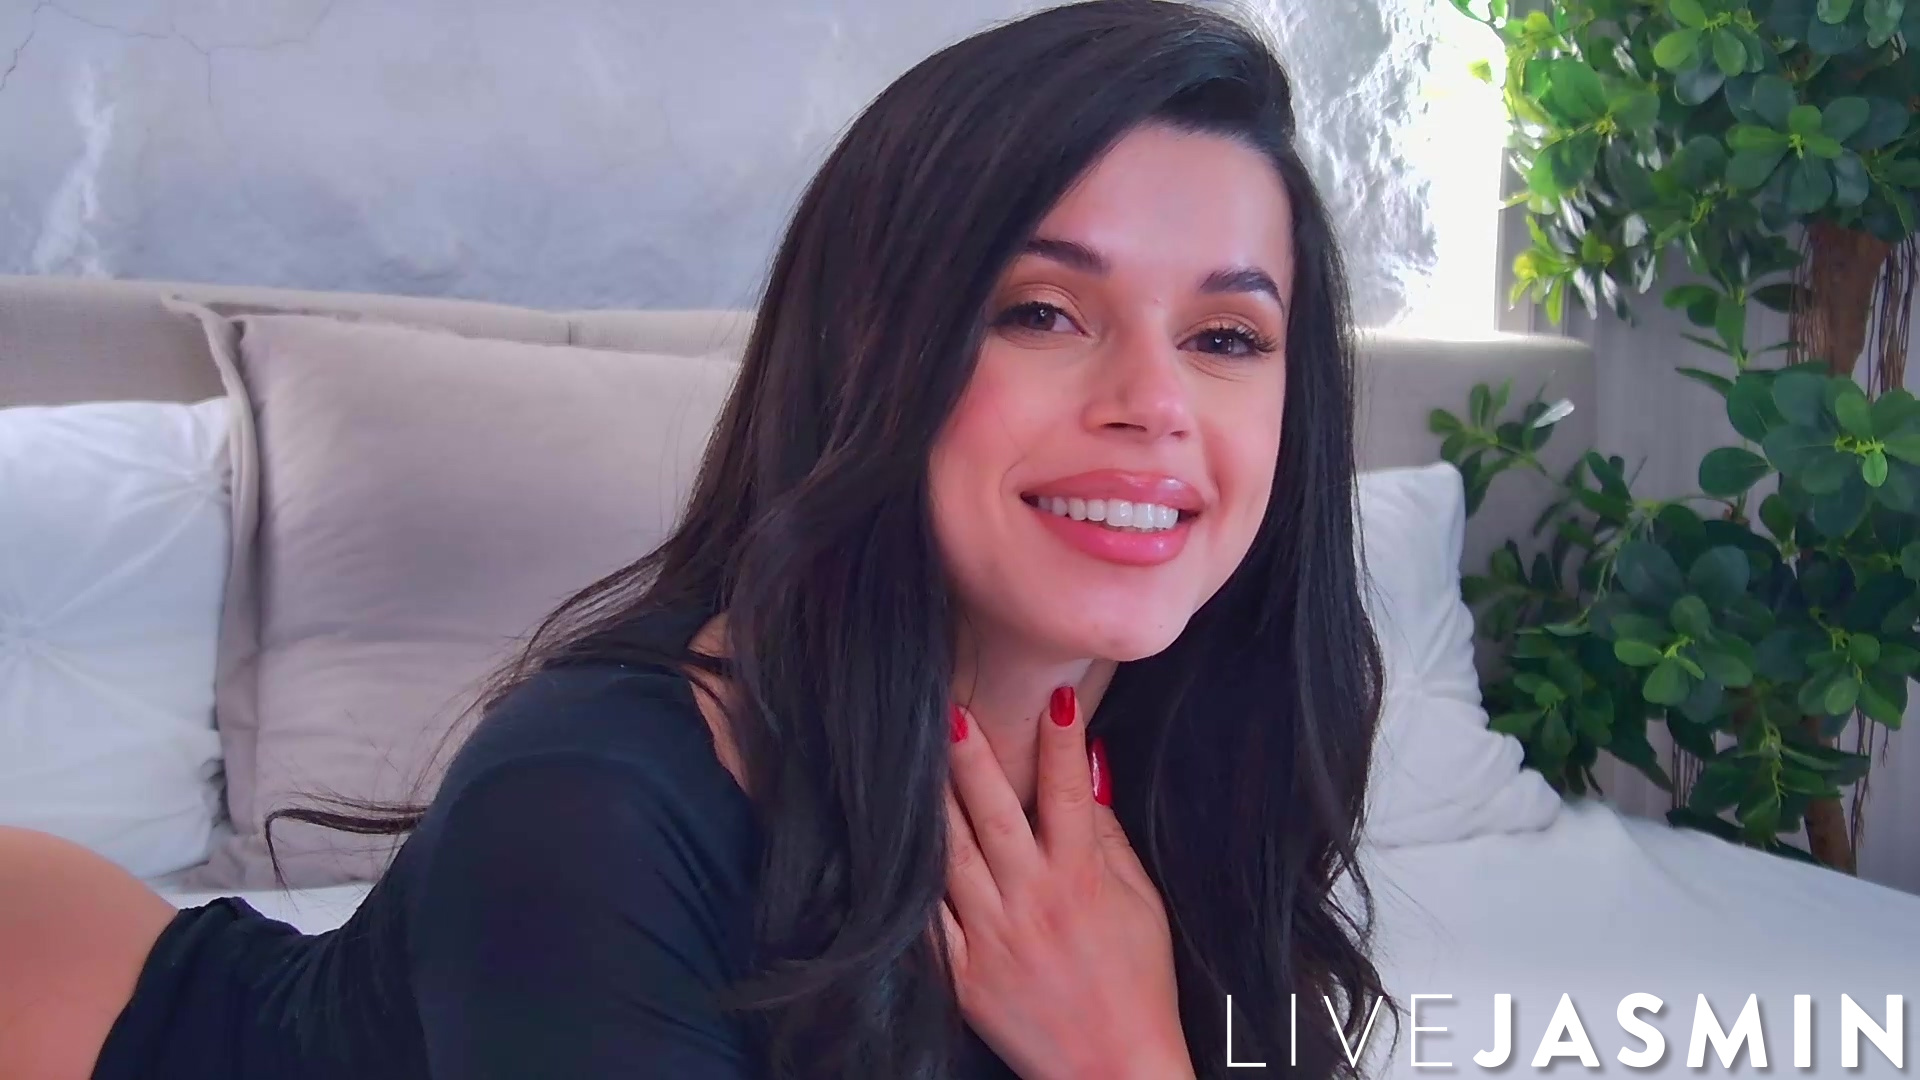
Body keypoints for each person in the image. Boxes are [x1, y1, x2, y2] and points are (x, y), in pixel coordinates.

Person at [0, 1, 1396, 1077]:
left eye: (1227, 336)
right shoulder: (590, 804)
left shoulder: (1202, 771)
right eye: (1041, 311)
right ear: (870, 355)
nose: (1155, 403)